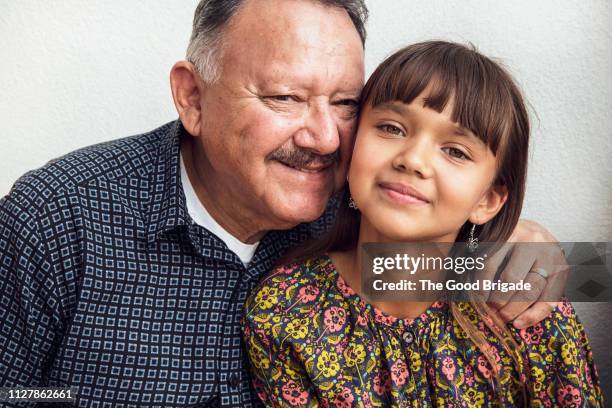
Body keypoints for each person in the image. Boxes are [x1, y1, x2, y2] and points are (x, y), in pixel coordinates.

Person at [0, 1, 566, 407]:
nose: (323, 138)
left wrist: (533, 247)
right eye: (285, 98)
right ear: (192, 98)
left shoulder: (355, 205)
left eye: (345, 102)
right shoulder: (56, 216)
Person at [243, 41, 603, 406]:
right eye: (391, 128)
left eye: (455, 151)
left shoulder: (526, 306)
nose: (413, 160)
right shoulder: (285, 312)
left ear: (487, 200)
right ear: (351, 147)